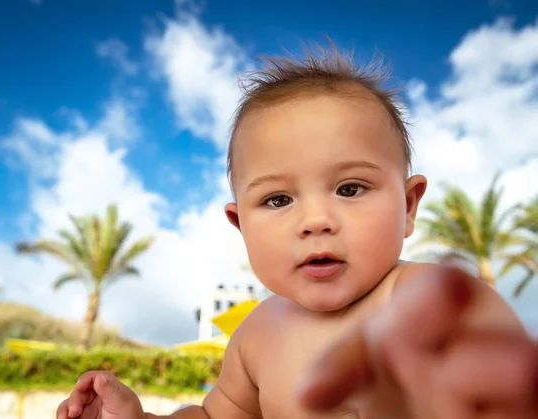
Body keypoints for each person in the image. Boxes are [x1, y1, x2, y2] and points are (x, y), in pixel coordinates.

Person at [56, 42, 538, 419]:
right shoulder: (256, 336)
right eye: (278, 200)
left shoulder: (423, 299)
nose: (315, 221)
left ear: (408, 206)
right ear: (241, 225)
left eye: (350, 189)